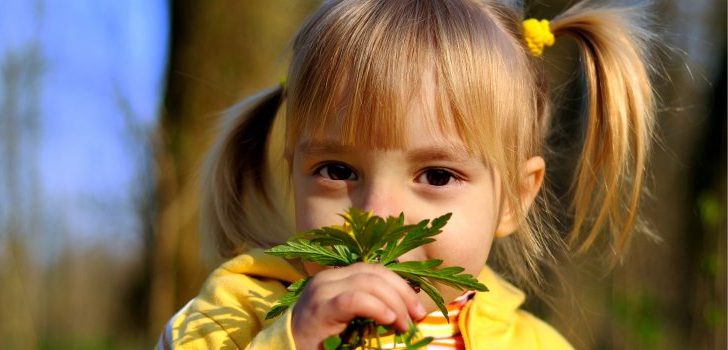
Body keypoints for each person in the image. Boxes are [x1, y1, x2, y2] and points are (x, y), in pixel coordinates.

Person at [158, 0, 656, 348]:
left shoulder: (533, 344)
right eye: (337, 169)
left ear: (514, 199)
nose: (377, 214)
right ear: (293, 174)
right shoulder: (233, 314)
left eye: (437, 176)